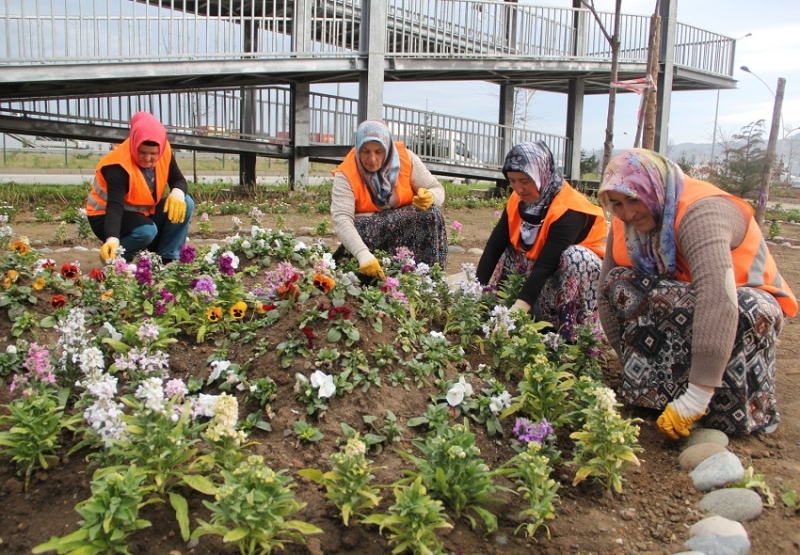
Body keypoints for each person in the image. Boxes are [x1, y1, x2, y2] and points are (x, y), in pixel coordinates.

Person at [597, 148, 797, 439]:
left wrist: (696, 397)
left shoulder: (700, 211)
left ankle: (719, 407)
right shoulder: (624, 224)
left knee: (745, 305)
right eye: (616, 203)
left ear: (654, 187)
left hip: (743, 305)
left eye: (633, 199)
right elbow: (606, 294)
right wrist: (628, 362)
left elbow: (718, 297)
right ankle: (655, 393)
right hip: (689, 301)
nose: (627, 212)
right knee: (621, 284)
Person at [476, 141, 607, 343]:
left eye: (525, 180)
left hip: (576, 275)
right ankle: (509, 310)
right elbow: (494, 247)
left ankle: (569, 332)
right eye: (512, 181)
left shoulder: (569, 208)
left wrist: (515, 313)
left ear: (541, 174)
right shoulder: (518, 201)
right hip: (541, 268)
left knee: (573, 257)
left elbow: (547, 264)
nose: (518, 188)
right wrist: (475, 292)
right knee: (510, 247)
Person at [331, 119, 448, 279]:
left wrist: (431, 196)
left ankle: (427, 279)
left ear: (388, 147)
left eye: (378, 151)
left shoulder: (406, 159)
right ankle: (370, 268)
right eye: (365, 151)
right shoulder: (346, 173)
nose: (372, 159)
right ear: (358, 148)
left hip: (403, 228)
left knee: (431, 213)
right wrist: (362, 254)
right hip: (367, 234)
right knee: (384, 222)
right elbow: (341, 219)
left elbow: (437, 188)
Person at [86, 111, 194, 263]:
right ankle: (114, 257)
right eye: (142, 152)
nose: (148, 159)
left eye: (153, 154)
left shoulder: (164, 151)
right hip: (106, 217)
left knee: (186, 202)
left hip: (142, 215)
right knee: (146, 231)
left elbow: (178, 180)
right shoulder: (117, 165)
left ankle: (168, 257)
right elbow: (115, 206)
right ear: (134, 143)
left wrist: (177, 192)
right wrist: (112, 239)